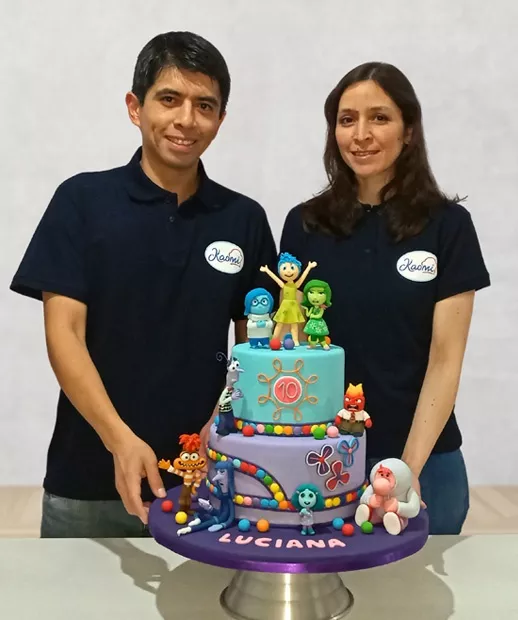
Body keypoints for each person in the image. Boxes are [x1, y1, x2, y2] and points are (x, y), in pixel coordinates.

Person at [10, 31, 277, 538]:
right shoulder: (82, 202)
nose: (186, 119)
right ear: (135, 107)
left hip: (207, 482)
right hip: (86, 484)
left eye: (204, 105)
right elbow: (64, 334)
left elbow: (256, 351)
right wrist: (119, 440)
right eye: (169, 99)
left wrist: (223, 425)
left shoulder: (243, 219)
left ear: (221, 119)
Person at [279, 62, 490, 535]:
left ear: (408, 130)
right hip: (324, 460)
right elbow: (293, 351)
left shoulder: (448, 227)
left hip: (426, 463)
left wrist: (404, 472)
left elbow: (445, 360)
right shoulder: (305, 225)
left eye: (379, 117)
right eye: (347, 119)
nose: (361, 134)